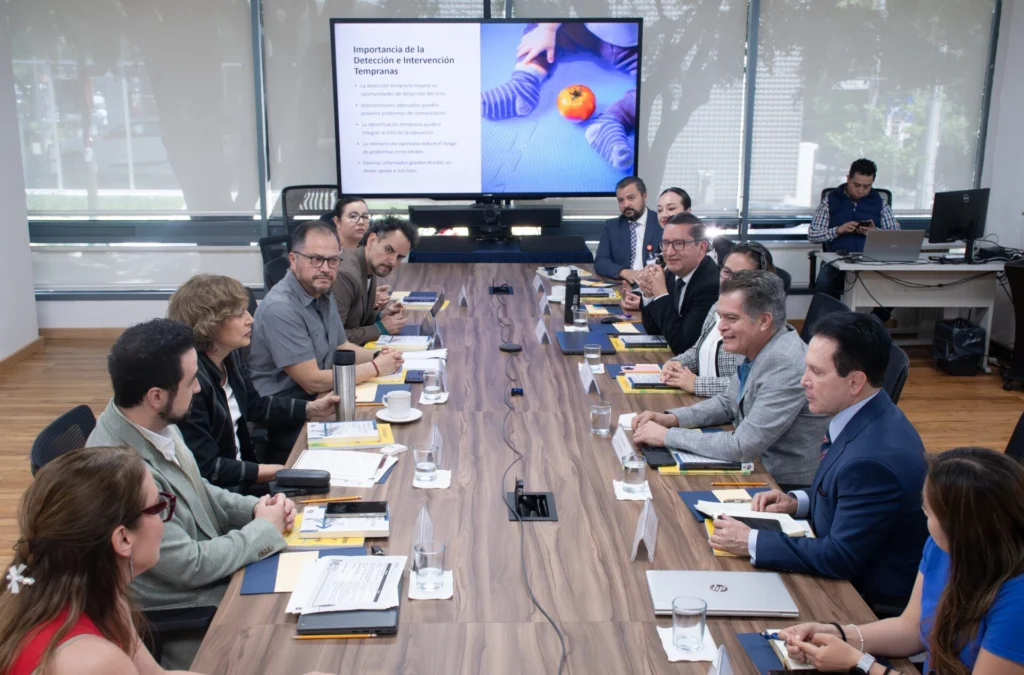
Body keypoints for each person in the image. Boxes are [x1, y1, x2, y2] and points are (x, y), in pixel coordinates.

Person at [0, 446, 329, 675]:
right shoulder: (89, 662)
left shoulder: (97, 597)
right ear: (122, 539)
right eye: (160, 506)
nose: (167, 520)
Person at [85, 319, 297, 669]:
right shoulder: (125, 471)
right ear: (156, 396)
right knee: (294, 644)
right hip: (190, 608)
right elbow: (189, 565)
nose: (199, 388)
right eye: (190, 381)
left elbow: (199, 490)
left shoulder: (154, 422)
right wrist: (263, 530)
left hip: (214, 574)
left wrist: (257, 508)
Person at [709, 312, 929, 613]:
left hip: (860, 601)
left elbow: (839, 557)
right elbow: (846, 493)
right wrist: (797, 502)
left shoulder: (873, 461)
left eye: (816, 372)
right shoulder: (867, 413)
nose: (804, 381)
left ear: (855, 382)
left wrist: (750, 540)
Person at [777, 447, 1024, 675]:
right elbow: (911, 628)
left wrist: (860, 664)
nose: (923, 515)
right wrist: (836, 633)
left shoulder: (1017, 601)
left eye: (928, 511)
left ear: (961, 528)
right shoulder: (942, 547)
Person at [632, 270, 827, 489]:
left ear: (764, 320)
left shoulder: (784, 363)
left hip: (778, 485)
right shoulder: (758, 343)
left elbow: (741, 446)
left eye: (731, 318)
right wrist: (672, 419)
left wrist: (667, 436)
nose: (720, 327)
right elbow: (727, 402)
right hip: (754, 467)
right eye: (721, 316)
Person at [168, 274, 340, 492]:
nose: (250, 319)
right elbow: (209, 468)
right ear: (210, 323)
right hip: (224, 494)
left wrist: (311, 408)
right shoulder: (192, 384)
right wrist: (277, 471)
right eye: (239, 314)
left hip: (244, 478)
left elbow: (254, 405)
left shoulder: (229, 357)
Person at [247, 219, 402, 407]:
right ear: (293, 260)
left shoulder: (323, 292)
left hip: (321, 395)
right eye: (316, 259)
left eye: (333, 260)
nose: (326, 269)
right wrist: (375, 367)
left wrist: (379, 356)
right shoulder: (280, 308)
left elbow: (341, 346)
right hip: (288, 408)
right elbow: (312, 381)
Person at [480, 22, 638, 169]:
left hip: (632, 47)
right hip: (583, 28)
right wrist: (547, 29)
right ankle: (524, 84)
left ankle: (615, 119)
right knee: (538, 33)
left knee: (650, 92)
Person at [661, 243, 775, 396]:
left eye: (741, 276)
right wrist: (676, 363)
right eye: (726, 272)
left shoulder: (760, 323)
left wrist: (697, 384)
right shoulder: (717, 306)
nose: (729, 281)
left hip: (729, 409)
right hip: (703, 402)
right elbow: (698, 350)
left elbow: (751, 385)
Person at [624, 213, 720, 355]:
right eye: (666, 243)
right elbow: (654, 330)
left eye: (679, 244)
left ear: (701, 248)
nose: (669, 252)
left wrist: (661, 294)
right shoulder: (671, 273)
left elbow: (683, 346)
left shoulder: (710, 285)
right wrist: (649, 294)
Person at [810, 158, 899, 301]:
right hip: (837, 258)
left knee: (897, 283)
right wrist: (838, 230)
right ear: (848, 179)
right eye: (856, 185)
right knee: (824, 282)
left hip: (872, 260)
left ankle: (875, 315)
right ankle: (835, 315)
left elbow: (895, 237)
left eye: (867, 186)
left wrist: (875, 233)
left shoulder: (880, 203)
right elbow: (813, 235)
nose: (861, 191)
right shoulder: (830, 201)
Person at [332, 215, 418, 346]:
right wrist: (380, 328)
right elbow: (335, 339)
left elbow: (354, 319)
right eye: (388, 249)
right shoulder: (345, 274)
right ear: (371, 241)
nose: (392, 261)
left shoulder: (370, 265)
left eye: (400, 257)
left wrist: (380, 316)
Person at [593, 176, 662, 281]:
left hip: (654, 284)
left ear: (644, 197)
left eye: (631, 198)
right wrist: (624, 272)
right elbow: (600, 261)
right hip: (623, 284)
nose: (626, 204)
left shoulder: (660, 222)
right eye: (621, 200)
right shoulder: (612, 226)